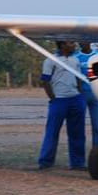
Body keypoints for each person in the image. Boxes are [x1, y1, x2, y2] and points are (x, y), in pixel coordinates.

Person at [39, 41, 86, 170]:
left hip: (75, 99)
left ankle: (78, 163)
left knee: (77, 133)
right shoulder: (50, 60)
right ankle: (45, 161)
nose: (74, 45)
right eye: (70, 43)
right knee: (52, 131)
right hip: (59, 100)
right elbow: (45, 81)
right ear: (62, 45)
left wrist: (80, 93)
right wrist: (53, 98)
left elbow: (78, 78)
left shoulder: (75, 60)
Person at [76, 42, 98, 149]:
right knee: (79, 127)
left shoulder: (97, 56)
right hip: (81, 94)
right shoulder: (76, 57)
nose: (82, 44)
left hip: (96, 93)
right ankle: (79, 155)